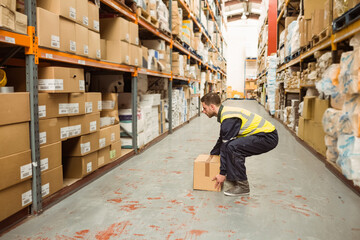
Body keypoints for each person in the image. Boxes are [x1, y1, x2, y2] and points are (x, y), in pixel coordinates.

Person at [201, 92, 278, 196]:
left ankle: (243, 186)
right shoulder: (225, 113)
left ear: (212, 107)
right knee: (230, 145)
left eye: (204, 108)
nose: (203, 111)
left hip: (267, 137)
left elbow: (225, 145)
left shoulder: (228, 118)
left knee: (233, 147)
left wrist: (222, 173)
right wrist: (212, 155)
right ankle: (234, 178)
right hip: (263, 135)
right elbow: (222, 138)